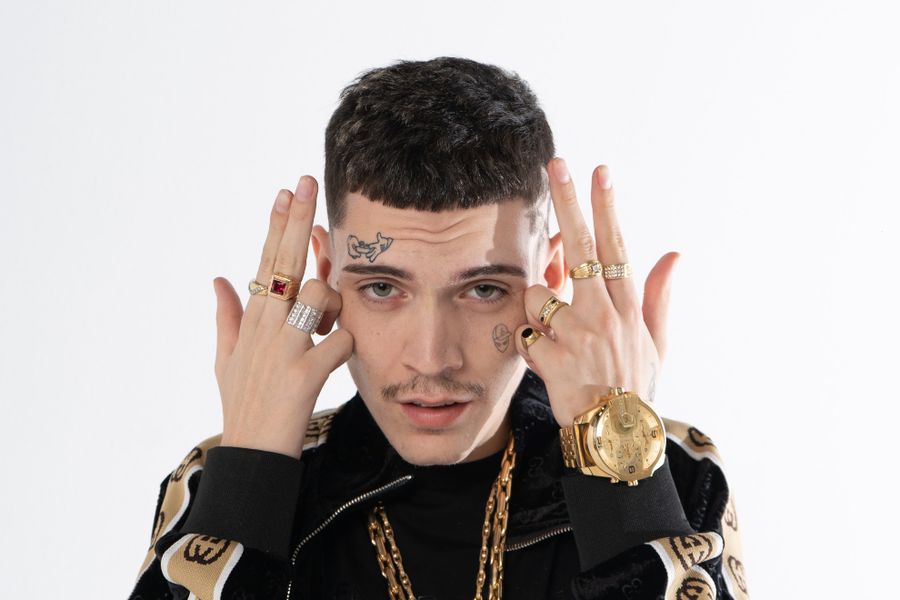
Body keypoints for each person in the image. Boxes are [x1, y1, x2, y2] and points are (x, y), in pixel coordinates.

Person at [128, 56, 748, 600]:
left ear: (551, 278)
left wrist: (620, 464)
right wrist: (251, 478)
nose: (431, 358)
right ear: (326, 275)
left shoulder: (673, 471)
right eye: (381, 288)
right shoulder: (223, 478)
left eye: (484, 289)